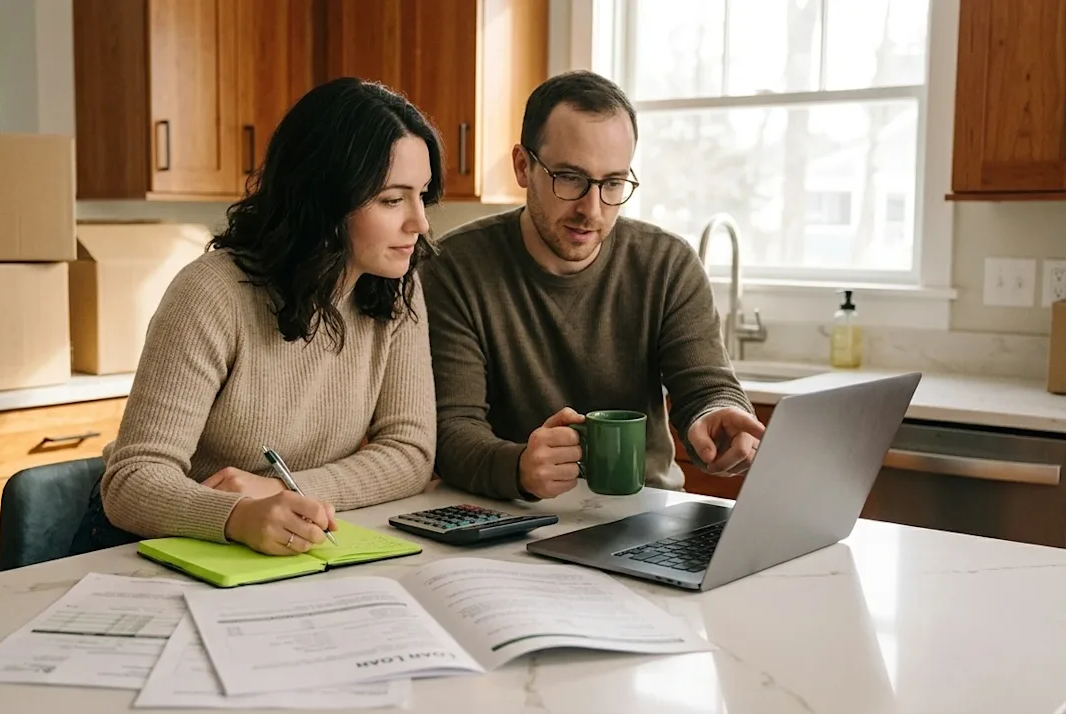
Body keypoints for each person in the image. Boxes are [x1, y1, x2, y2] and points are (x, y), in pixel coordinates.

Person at [71, 77, 442, 556]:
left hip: (279, 543)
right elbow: (132, 481)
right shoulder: (212, 292)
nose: (420, 222)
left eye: (422, 195)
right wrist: (238, 516)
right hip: (148, 543)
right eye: (392, 200)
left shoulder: (397, 287)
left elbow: (410, 454)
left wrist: (288, 491)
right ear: (325, 200)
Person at [420, 70, 764, 502]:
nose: (592, 209)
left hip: (647, 512)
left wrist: (718, 415)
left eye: (613, 183)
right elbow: (452, 431)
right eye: (570, 178)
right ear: (523, 166)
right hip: (511, 518)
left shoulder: (667, 264)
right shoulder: (453, 269)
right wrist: (520, 467)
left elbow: (707, 387)